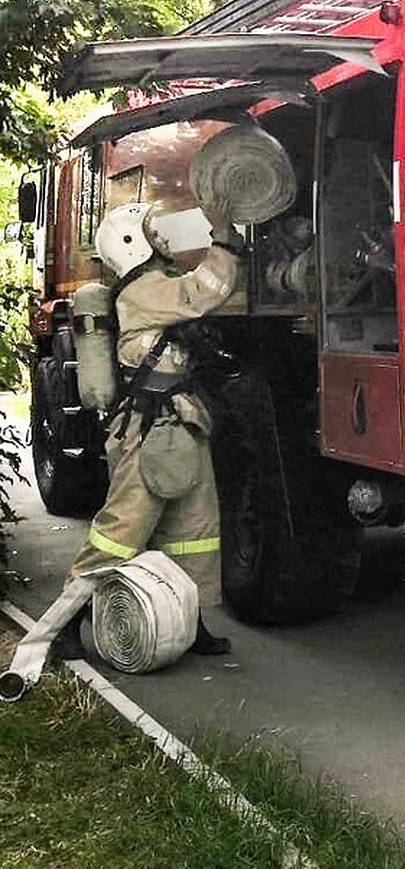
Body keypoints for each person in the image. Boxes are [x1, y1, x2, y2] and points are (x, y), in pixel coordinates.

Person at [53, 199, 245, 660]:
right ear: (132, 245)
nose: (161, 238)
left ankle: (190, 621)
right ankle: (65, 623)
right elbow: (206, 290)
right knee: (120, 530)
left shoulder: (152, 285)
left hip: (179, 424)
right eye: (151, 233)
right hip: (149, 430)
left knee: (193, 532)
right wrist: (223, 239)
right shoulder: (144, 291)